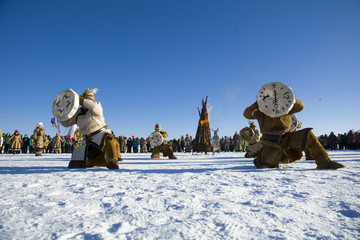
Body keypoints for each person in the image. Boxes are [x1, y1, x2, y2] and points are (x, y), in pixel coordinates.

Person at [243, 82, 345, 169]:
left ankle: (324, 162)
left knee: (307, 135)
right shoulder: (261, 111)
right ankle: (261, 157)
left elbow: (301, 106)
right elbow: (247, 114)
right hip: (271, 143)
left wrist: (289, 97)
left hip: (288, 137)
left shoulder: (285, 107)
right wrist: (258, 103)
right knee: (265, 165)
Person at [59, 89, 122, 169]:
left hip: (99, 134)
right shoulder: (78, 112)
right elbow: (67, 123)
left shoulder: (97, 106)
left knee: (108, 138)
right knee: (76, 164)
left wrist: (81, 100)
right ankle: (90, 161)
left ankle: (112, 161)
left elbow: (92, 106)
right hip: (86, 139)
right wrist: (61, 115)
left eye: (87, 101)